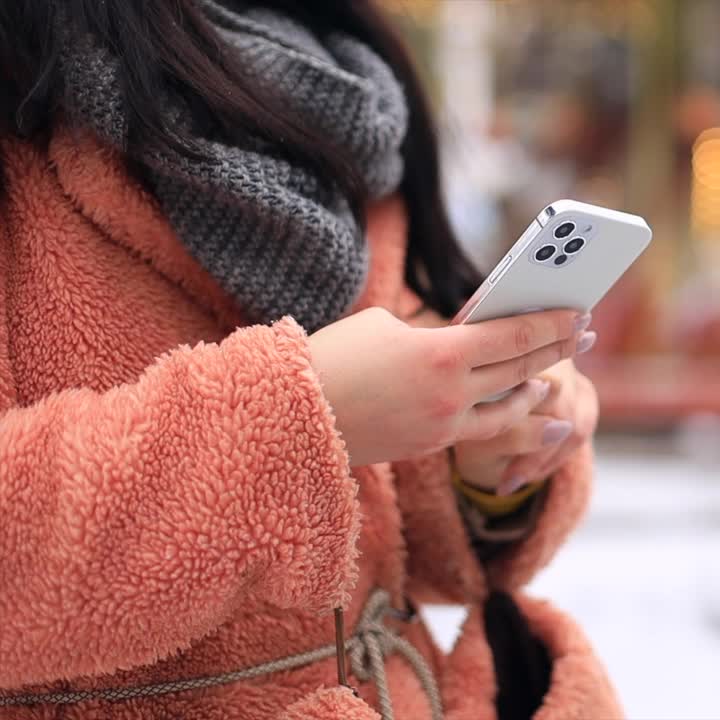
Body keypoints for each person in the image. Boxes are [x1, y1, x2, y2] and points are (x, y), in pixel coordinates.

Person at [0, 1, 620, 718]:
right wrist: (291, 429)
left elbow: (377, 531)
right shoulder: (31, 100)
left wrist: (479, 457)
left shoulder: (338, 82)